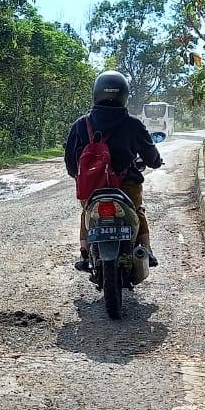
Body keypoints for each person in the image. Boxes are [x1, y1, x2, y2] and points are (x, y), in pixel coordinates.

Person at [64, 70, 163, 270]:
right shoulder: (133, 124)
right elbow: (151, 157)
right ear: (124, 95)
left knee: (87, 214)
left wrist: (81, 175)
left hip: (91, 188)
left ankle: (84, 254)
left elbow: (70, 163)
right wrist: (156, 162)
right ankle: (146, 250)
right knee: (137, 212)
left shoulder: (81, 125)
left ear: (96, 93)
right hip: (126, 185)